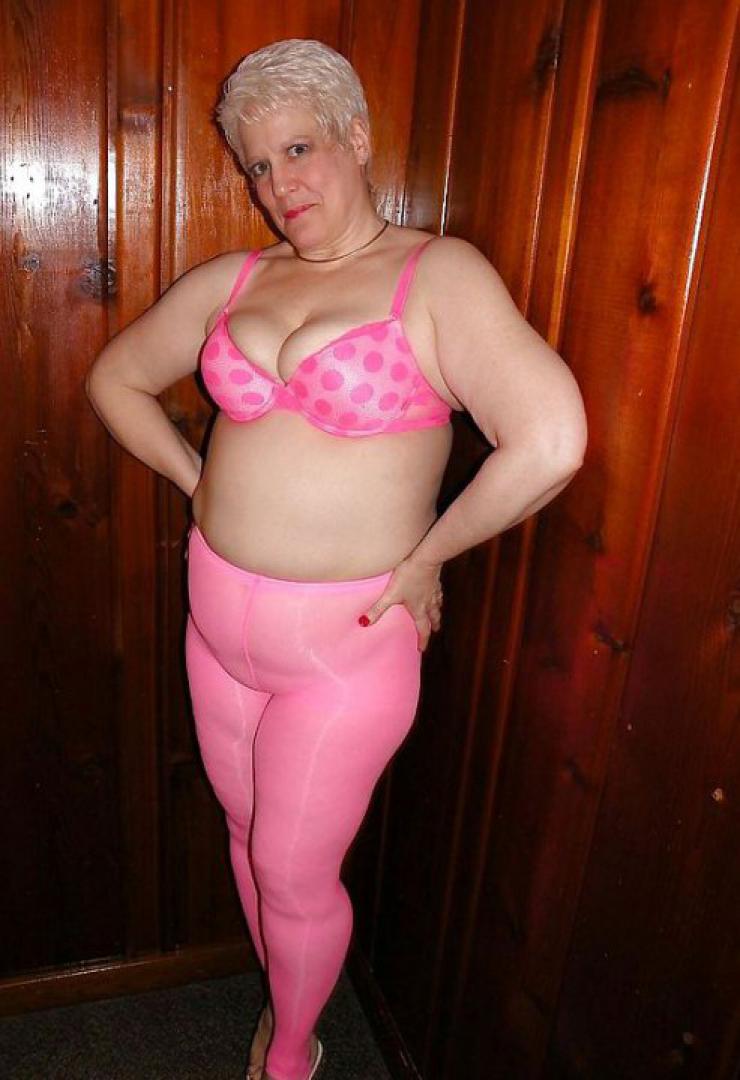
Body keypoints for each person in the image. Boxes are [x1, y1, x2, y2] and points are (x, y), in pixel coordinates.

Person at [85, 37, 587, 1080]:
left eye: (299, 149)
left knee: (291, 869)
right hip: (215, 628)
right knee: (247, 838)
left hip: (345, 648)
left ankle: (291, 1055)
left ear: (356, 137)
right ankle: (291, 1003)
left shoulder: (435, 275)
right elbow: (115, 379)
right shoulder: (235, 279)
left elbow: (550, 439)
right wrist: (196, 482)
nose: (280, 185)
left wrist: (429, 557)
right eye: (259, 165)